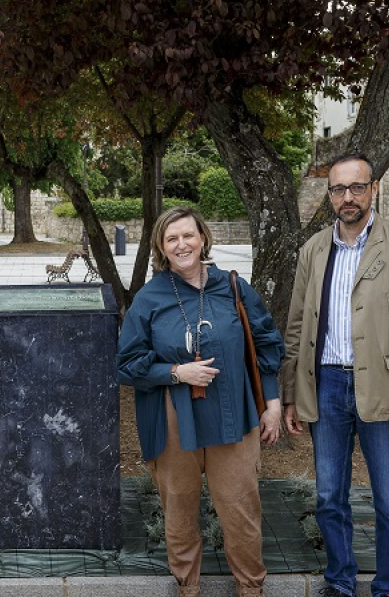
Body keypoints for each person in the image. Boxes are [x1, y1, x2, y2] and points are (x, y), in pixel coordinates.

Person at [281, 153, 389, 597]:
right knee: (330, 497)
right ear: (329, 195)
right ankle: (340, 582)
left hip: (384, 392)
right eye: (338, 189)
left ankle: (388, 588)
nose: (347, 197)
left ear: (374, 189)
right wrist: (291, 392)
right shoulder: (314, 250)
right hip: (326, 385)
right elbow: (296, 326)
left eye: (357, 187)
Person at [117, 206, 285, 597]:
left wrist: (273, 403)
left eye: (188, 235)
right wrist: (176, 372)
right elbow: (126, 364)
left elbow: (266, 344)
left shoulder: (233, 286)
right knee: (179, 511)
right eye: (171, 238)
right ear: (161, 246)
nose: (181, 244)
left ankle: (251, 589)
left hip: (234, 415)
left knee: (242, 510)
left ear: (203, 238)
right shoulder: (150, 297)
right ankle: (187, 588)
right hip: (175, 419)